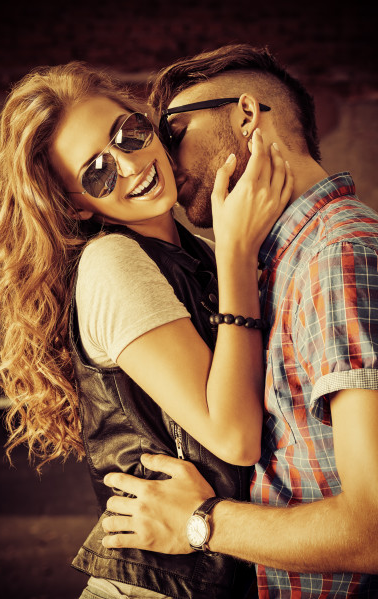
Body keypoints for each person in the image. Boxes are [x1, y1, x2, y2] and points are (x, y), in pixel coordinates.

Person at [0, 62, 292, 599]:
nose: (129, 163)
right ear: (78, 203)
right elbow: (234, 437)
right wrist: (239, 254)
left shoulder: (196, 254)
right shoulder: (113, 263)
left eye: (129, 133)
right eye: (96, 172)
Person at [99, 45, 378, 598]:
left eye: (172, 132)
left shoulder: (338, 255)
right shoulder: (277, 262)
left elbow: (373, 529)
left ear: (246, 115)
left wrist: (201, 521)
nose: (162, 158)